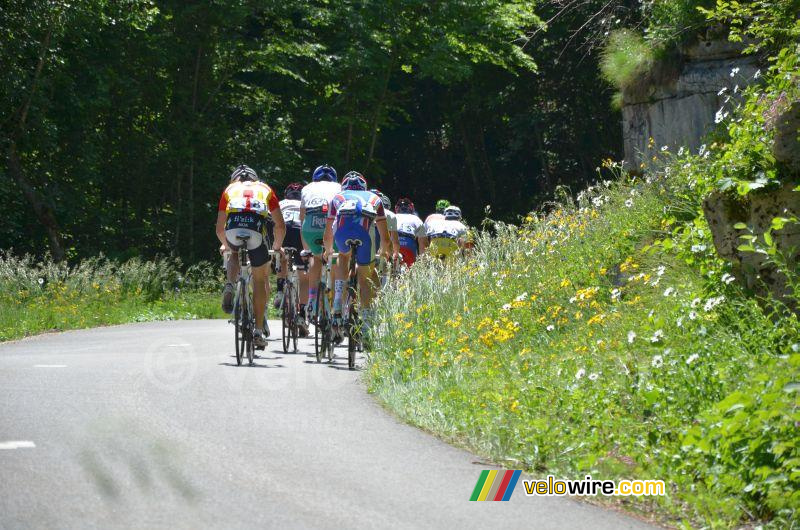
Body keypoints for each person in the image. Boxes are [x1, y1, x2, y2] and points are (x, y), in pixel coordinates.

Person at [216, 164, 285, 347]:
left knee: (234, 252)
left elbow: (218, 228)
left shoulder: (229, 189)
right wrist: (277, 247)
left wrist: (225, 244)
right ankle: (258, 331)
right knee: (260, 280)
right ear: (255, 179)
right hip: (255, 230)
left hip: (233, 229)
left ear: (234, 179)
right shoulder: (265, 189)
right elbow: (279, 225)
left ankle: (230, 284)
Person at [322, 172, 390, 338]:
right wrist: (383, 250)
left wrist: (328, 250)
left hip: (343, 234)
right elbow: (385, 237)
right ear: (364, 187)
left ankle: (337, 302)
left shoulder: (337, 197)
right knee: (365, 279)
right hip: (364, 236)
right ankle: (366, 325)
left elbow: (328, 233)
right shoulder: (375, 199)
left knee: (343, 257)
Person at [299, 164, 341, 321]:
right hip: (330, 223)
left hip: (310, 225)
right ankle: (337, 301)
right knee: (336, 259)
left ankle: (311, 301)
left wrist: (306, 248)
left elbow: (302, 218)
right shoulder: (339, 187)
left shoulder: (307, 188)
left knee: (316, 259)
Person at [274, 182, 310, 337]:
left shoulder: (281, 203)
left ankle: (280, 290)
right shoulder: (305, 203)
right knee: (303, 277)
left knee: (282, 256)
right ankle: (301, 314)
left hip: (283, 228)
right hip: (298, 229)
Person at [394, 197, 428, 266]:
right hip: (409, 243)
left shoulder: (392, 216)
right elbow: (423, 243)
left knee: (388, 269)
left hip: (394, 242)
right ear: (411, 208)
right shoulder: (416, 219)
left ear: (396, 209)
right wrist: (424, 263)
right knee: (410, 270)